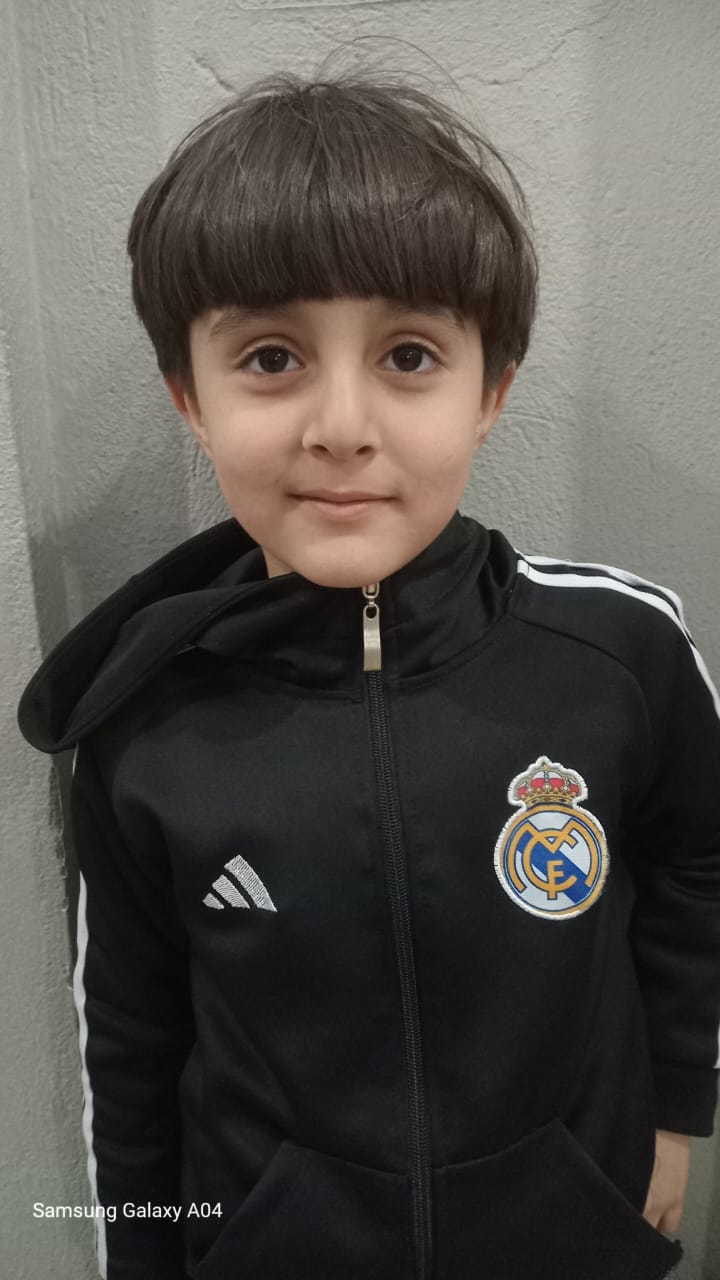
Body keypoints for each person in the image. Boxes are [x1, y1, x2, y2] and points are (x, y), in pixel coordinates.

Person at [17, 67, 720, 1280]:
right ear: (190, 397)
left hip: (577, 1229)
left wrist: (677, 1105)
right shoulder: (146, 723)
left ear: (490, 391)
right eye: (271, 356)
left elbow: (696, 863)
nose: (341, 424)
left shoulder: (621, 654)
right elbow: (129, 1038)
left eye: (407, 354)